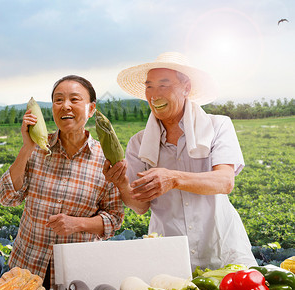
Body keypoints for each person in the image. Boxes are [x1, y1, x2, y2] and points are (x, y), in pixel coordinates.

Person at [104, 52, 257, 271]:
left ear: (186, 87)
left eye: (163, 85)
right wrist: (121, 183)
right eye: (149, 87)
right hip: (169, 255)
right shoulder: (138, 143)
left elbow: (225, 181)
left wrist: (173, 178)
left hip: (222, 249)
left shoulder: (218, 126)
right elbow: (139, 206)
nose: (154, 95)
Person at [0, 75, 124, 289]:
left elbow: (114, 219)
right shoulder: (37, 150)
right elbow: (7, 197)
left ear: (91, 109)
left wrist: (78, 224)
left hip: (75, 277)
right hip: (26, 268)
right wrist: (27, 146)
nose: (65, 106)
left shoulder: (105, 160)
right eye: (58, 100)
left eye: (74, 100)